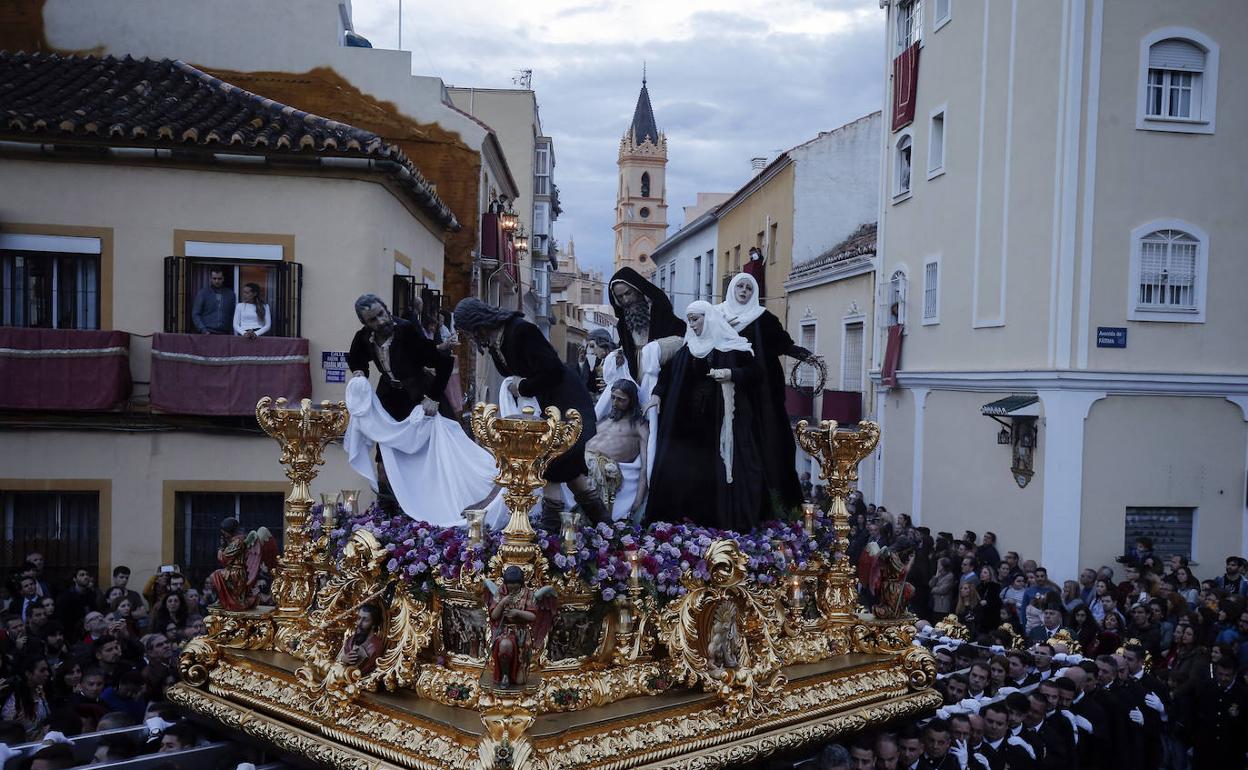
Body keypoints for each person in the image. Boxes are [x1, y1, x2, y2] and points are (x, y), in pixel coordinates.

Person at [453, 298, 609, 528]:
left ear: (477, 323)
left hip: (569, 406)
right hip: (549, 409)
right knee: (572, 473)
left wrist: (523, 387)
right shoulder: (497, 343)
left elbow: (553, 371)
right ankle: (606, 529)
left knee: (549, 464)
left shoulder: (522, 331)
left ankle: (552, 533)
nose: (470, 337)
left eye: (469, 331)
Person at [645, 301, 765, 531]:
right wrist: (657, 395)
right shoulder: (687, 349)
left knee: (715, 473)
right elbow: (667, 376)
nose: (692, 324)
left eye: (696, 319)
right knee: (686, 472)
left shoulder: (730, 347)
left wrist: (731, 373)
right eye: (689, 320)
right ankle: (685, 523)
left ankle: (716, 524)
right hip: (689, 425)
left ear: (708, 318)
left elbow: (755, 372)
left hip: (720, 422)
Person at [717, 272, 812, 513]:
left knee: (761, 435)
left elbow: (783, 344)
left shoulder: (763, 318)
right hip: (721, 383)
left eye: (749, 288)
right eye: (740, 286)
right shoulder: (717, 315)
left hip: (758, 387)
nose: (744, 291)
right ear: (732, 289)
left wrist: (806, 356)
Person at [348, 293, 451, 422]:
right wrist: (359, 372)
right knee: (385, 437)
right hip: (389, 395)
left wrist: (433, 398)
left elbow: (444, 363)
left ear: (387, 309)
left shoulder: (406, 330)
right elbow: (355, 358)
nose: (380, 321)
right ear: (365, 323)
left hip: (417, 395)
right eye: (373, 320)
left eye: (381, 314)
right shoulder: (364, 336)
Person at [583, 380, 649, 521]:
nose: (614, 402)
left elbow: (645, 466)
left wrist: (638, 499)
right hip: (583, 461)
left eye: (621, 400)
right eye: (613, 397)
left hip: (604, 466)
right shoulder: (605, 420)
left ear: (631, 401)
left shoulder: (639, 425)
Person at [607, 267, 686, 380]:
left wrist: (657, 348)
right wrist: (620, 353)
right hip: (635, 371)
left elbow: (680, 336)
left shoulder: (659, 312)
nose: (626, 300)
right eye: (620, 297)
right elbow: (627, 346)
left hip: (661, 372)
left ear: (637, 290)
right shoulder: (622, 324)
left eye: (628, 293)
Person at [338, 605, 383, 674]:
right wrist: (343, 659)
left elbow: (362, 670)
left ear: (374, 624)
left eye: (365, 620)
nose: (359, 623)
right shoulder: (351, 639)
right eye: (359, 618)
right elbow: (339, 658)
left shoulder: (375, 646)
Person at [191, 268, 236, 334]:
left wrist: (231, 332)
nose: (217, 281)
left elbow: (233, 315)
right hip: (207, 332)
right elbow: (196, 314)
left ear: (223, 279)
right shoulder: (203, 293)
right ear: (210, 279)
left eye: (219, 279)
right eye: (214, 278)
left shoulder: (230, 294)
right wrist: (203, 329)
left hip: (224, 333)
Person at [578, 329, 616, 399]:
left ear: (602, 342)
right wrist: (582, 362)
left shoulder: (618, 358)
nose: (592, 352)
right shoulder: (599, 360)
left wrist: (610, 387)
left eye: (593, 346)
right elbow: (592, 385)